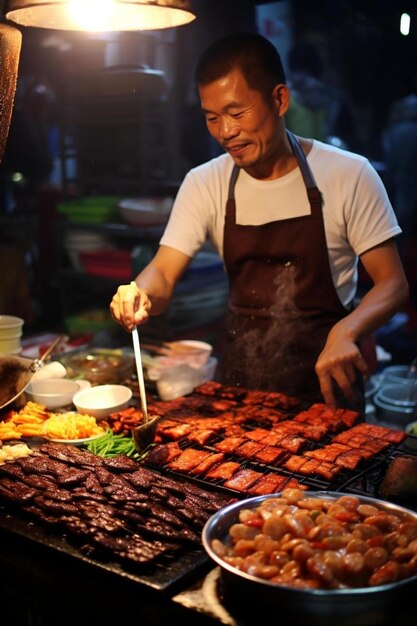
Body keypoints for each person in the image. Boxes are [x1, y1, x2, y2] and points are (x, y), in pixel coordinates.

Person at [110, 32, 408, 412]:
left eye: (237, 113)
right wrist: (139, 294)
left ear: (279, 99)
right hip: (239, 388)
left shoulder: (348, 174)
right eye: (212, 118)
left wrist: (347, 331)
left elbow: (393, 284)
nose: (225, 132)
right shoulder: (205, 182)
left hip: (326, 386)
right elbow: (163, 274)